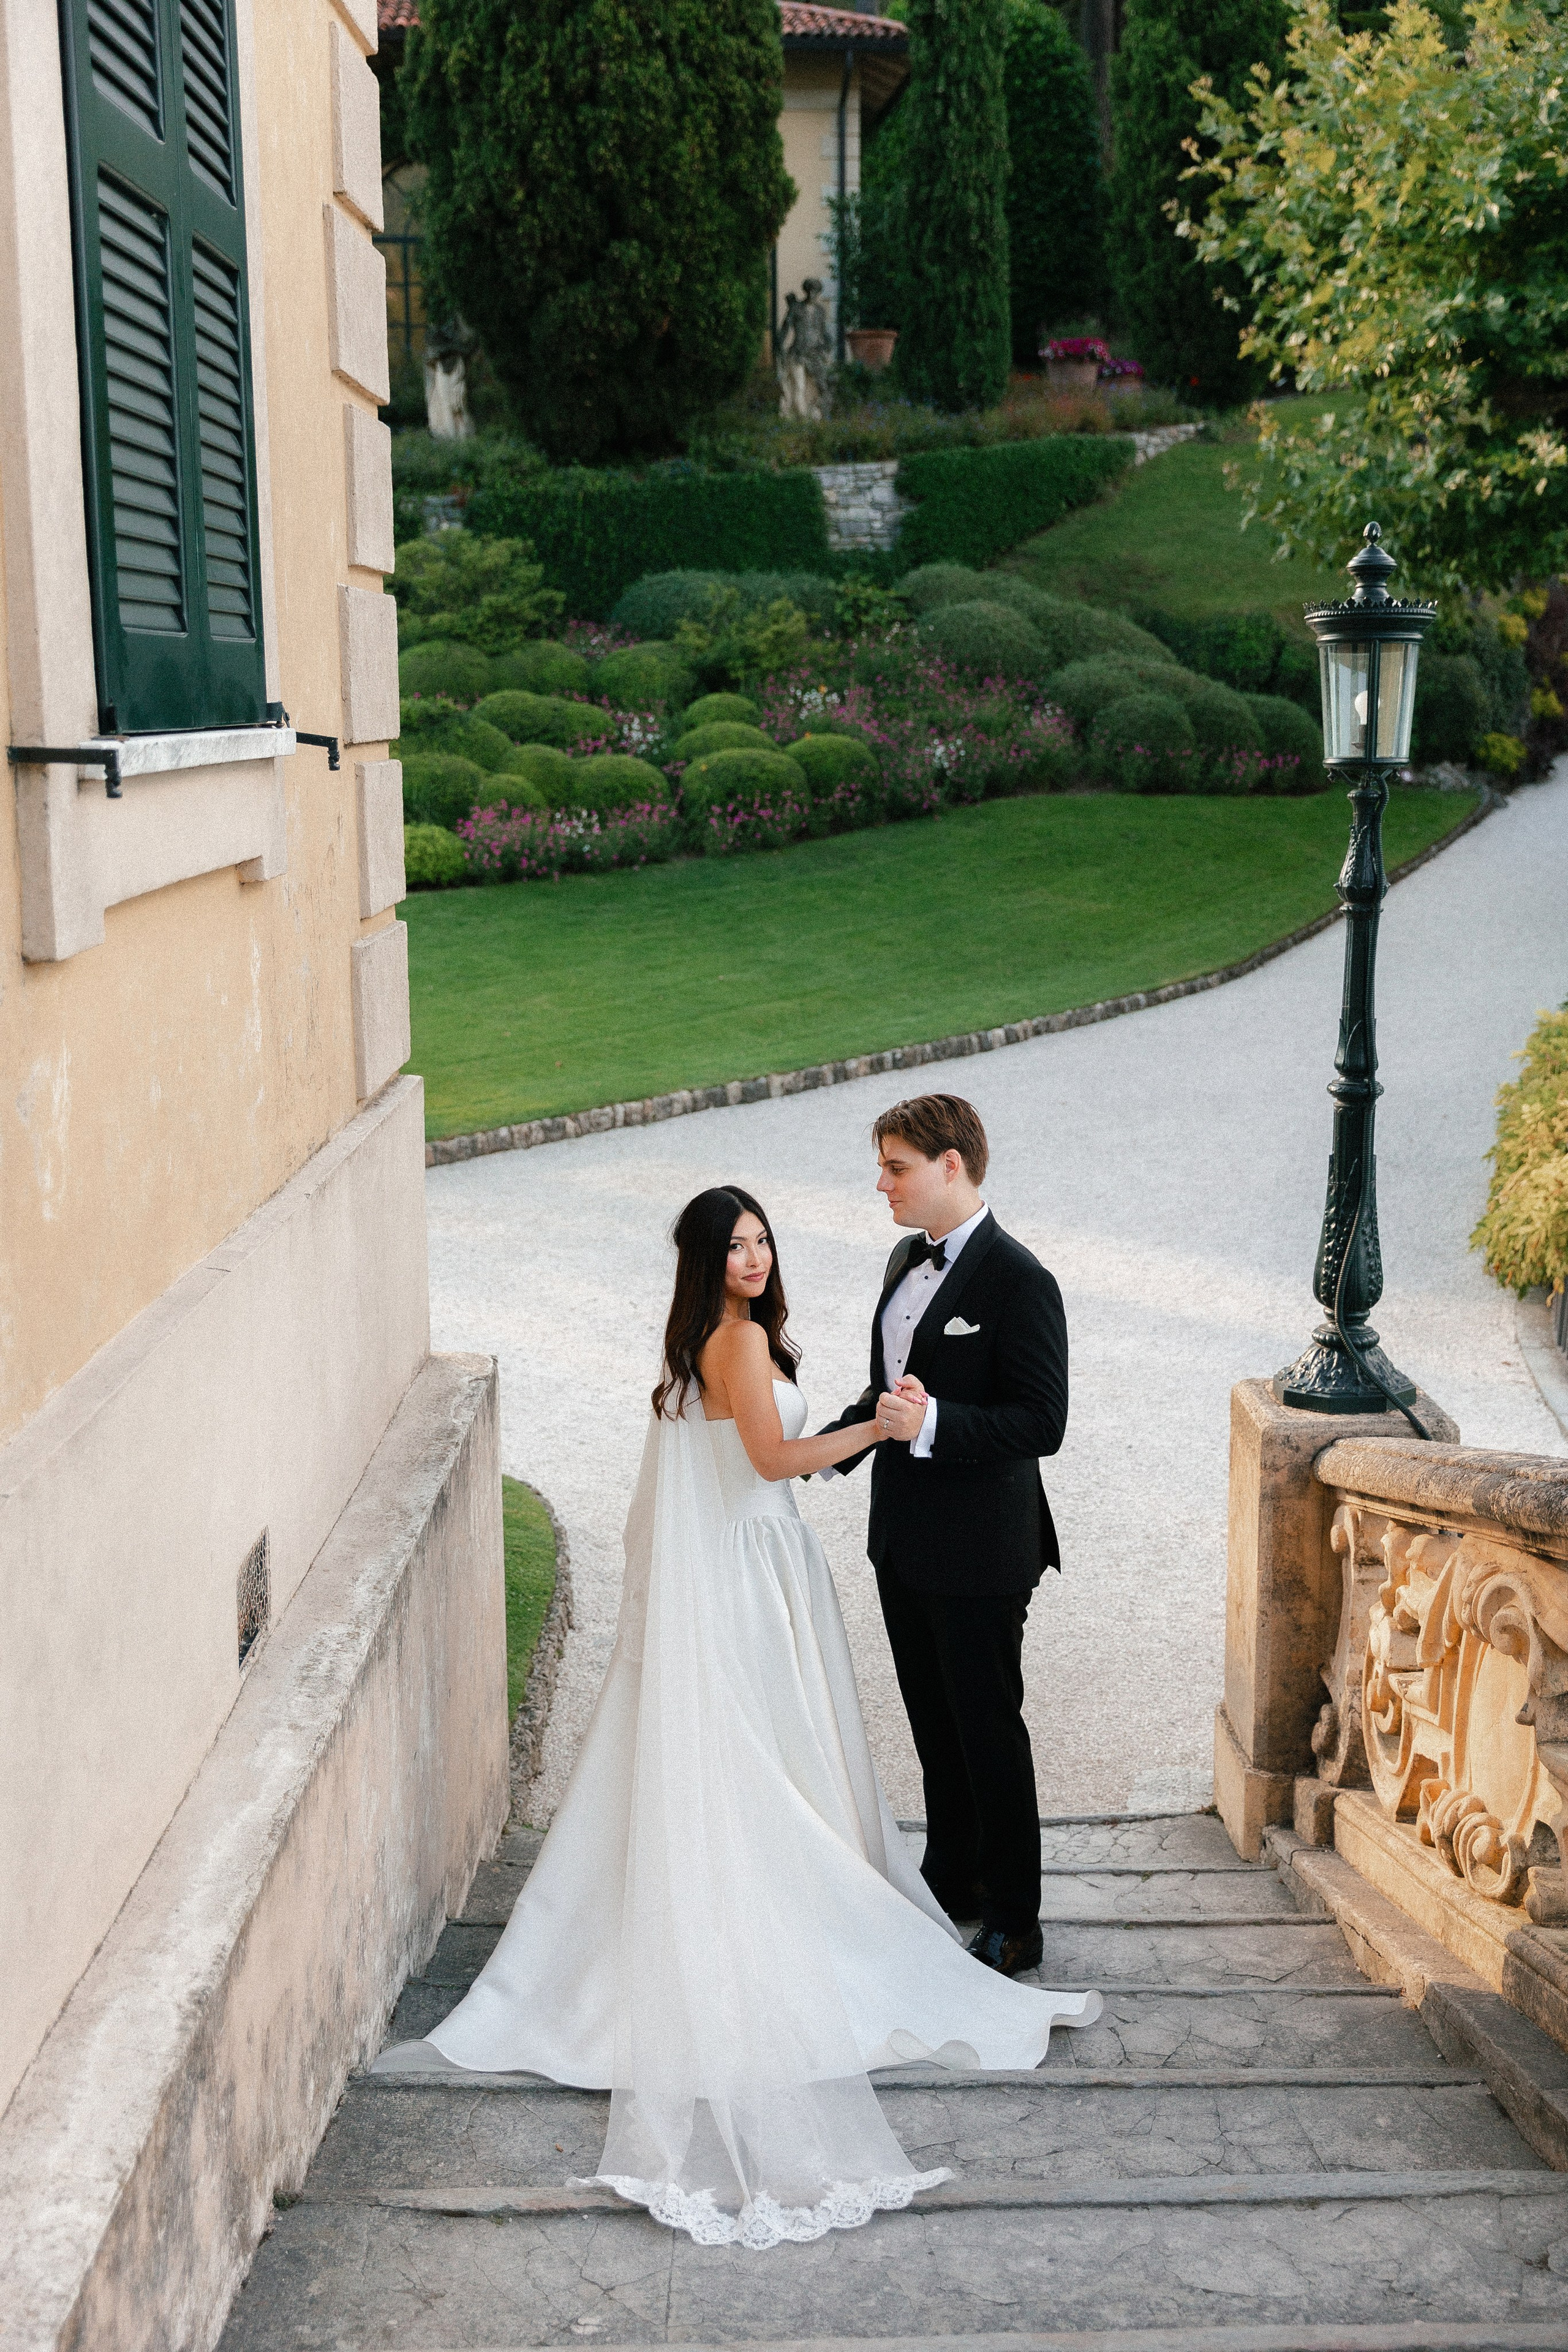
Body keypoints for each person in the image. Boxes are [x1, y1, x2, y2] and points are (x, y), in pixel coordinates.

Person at [375, 1184, 1098, 2250]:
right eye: (735, 1245)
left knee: (783, 1753)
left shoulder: (717, 1338)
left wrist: (881, 1424)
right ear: (706, 1260)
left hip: (744, 1556)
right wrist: (874, 1426)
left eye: (762, 1240)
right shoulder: (738, 1341)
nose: (754, 1257)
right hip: (751, 1561)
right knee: (769, 1758)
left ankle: (968, 1895)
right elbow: (766, 1460)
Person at [818, 1095, 1067, 1980]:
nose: (881, 1183)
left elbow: (1042, 1422)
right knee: (933, 1723)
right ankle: (952, 1877)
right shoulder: (901, 1257)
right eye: (882, 1166)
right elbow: (887, 1390)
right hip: (904, 1543)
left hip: (985, 1552)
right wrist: (815, 1454)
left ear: (951, 1164)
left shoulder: (1021, 1280)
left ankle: (1014, 1919)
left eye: (896, 1167)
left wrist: (933, 1426)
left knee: (987, 1728)